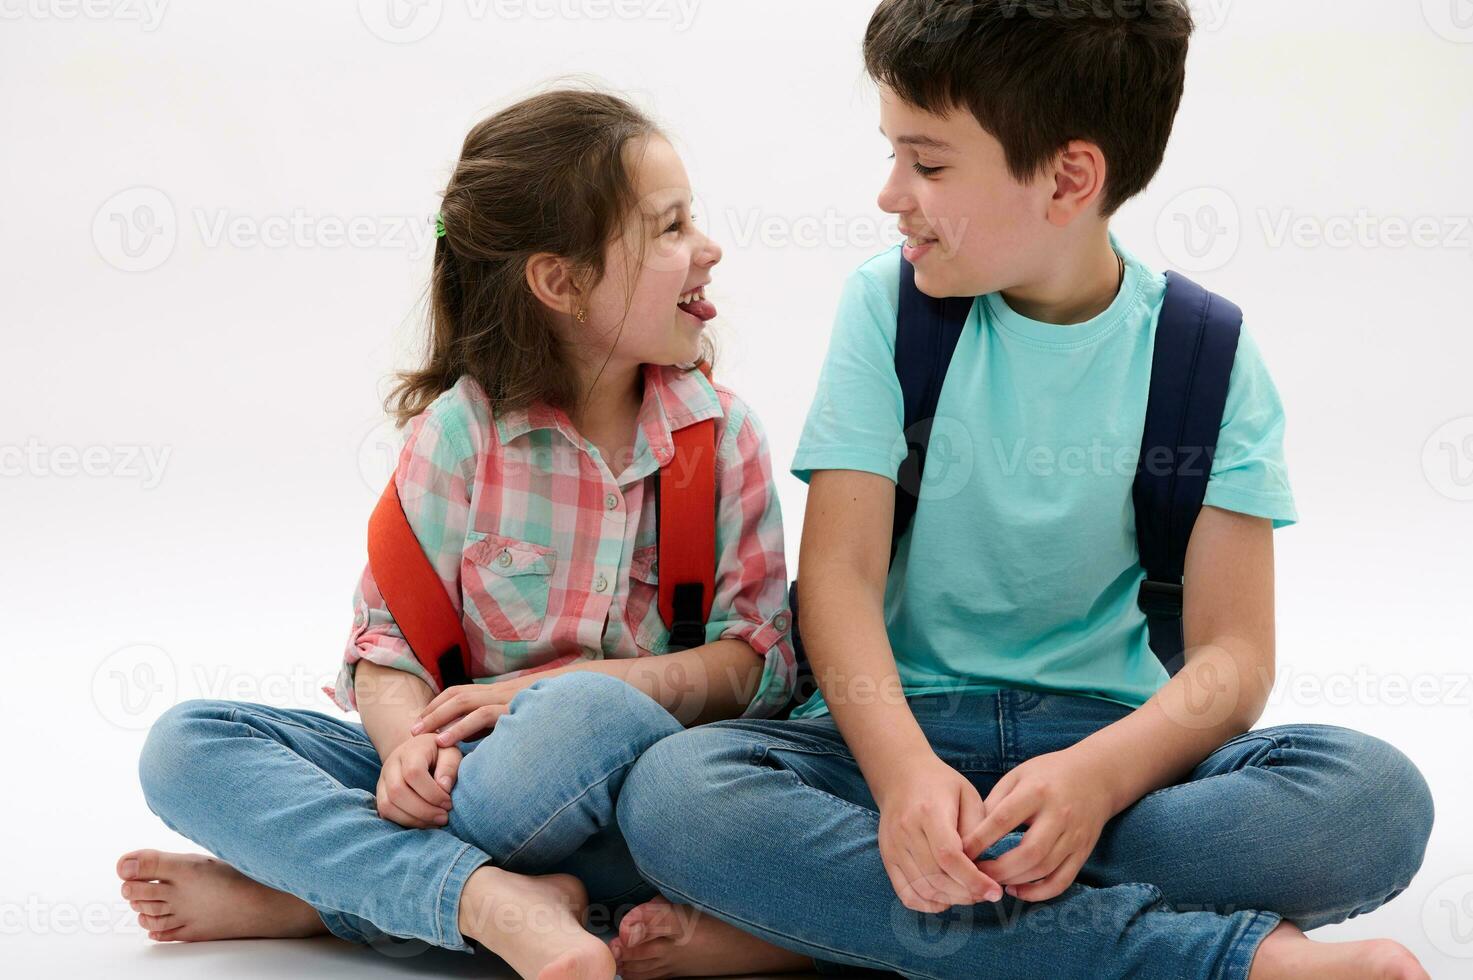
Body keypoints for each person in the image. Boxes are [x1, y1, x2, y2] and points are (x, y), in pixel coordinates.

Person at [609, 4, 1436, 979]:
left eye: (928, 162)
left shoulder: (1207, 357)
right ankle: (1217, 959)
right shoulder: (888, 309)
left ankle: (831, 919)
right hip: (890, 736)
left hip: (1111, 756)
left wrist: (1096, 778)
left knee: (1376, 800)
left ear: (1068, 177)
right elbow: (835, 578)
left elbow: (1234, 658)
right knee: (674, 791)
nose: (891, 195)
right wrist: (907, 774)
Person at [117, 87, 801, 980]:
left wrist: (582, 690)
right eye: (669, 229)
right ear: (560, 282)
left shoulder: (718, 438)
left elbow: (757, 661)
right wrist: (407, 753)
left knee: (599, 730)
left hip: (628, 787)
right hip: (458, 781)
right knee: (187, 743)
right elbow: (388, 647)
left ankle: (321, 894)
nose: (707, 249)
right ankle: (491, 901)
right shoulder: (459, 434)